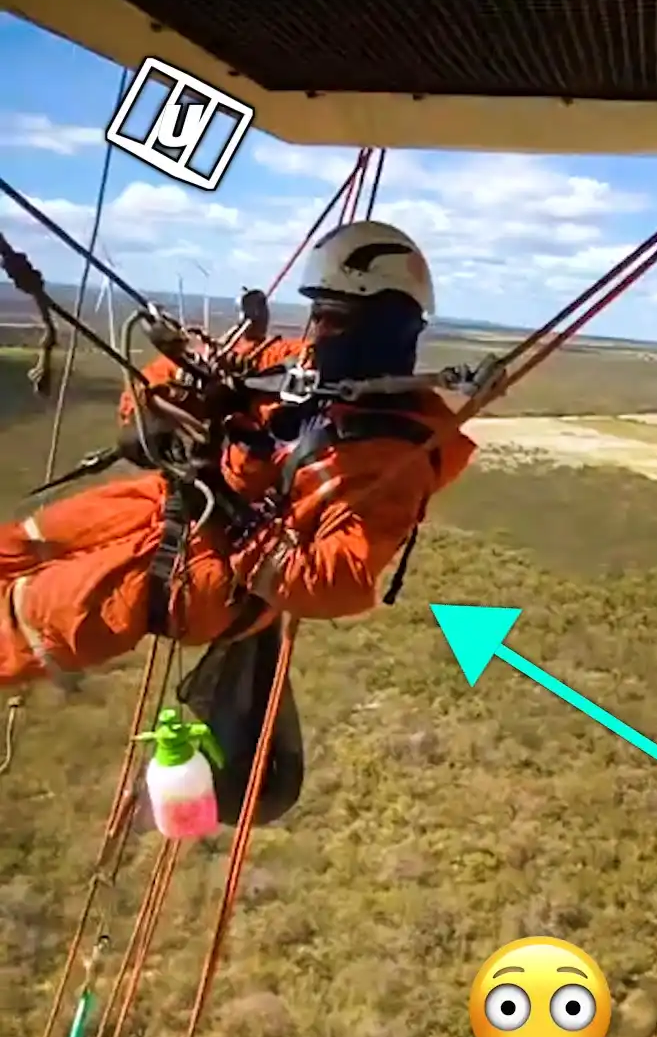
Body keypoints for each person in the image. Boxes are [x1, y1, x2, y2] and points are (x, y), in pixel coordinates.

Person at [0, 222, 475, 689]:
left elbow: (335, 583)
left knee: (29, 614)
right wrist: (154, 409)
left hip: (212, 572)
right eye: (319, 315)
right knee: (21, 544)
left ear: (386, 328)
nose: (321, 331)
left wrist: (233, 512)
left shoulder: (394, 458)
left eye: (338, 319)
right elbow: (190, 364)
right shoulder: (300, 362)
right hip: (171, 500)